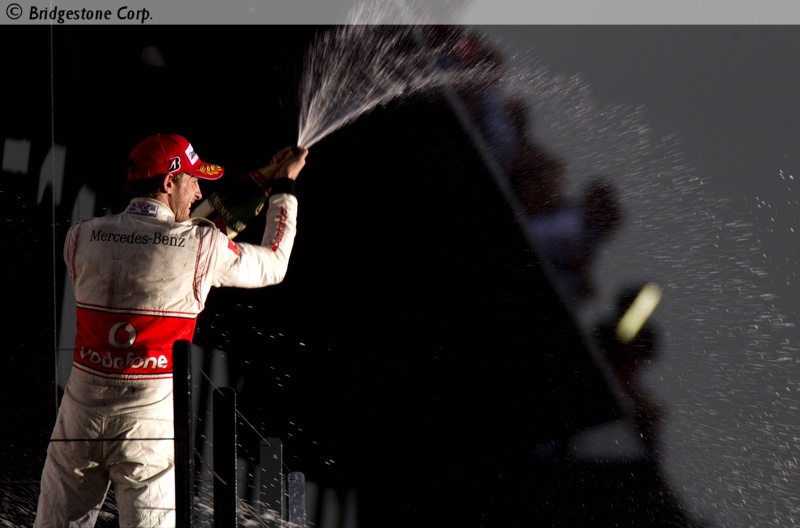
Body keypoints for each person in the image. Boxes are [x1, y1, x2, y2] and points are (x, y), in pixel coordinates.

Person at [33, 133, 309, 528]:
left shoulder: (80, 236)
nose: (199, 193)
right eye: (193, 180)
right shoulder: (202, 245)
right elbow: (275, 262)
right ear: (169, 182)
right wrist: (284, 186)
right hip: (147, 430)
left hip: (78, 419)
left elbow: (153, 242)